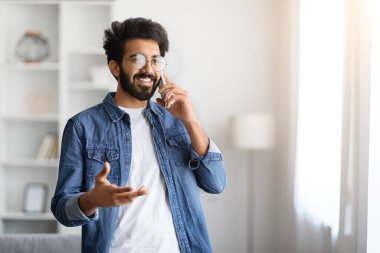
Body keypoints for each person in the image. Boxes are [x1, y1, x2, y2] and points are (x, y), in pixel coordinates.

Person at [51, 17, 226, 253]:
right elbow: (62, 209)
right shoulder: (82, 126)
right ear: (115, 67)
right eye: (137, 59)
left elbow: (216, 183)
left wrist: (191, 120)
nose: (148, 69)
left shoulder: (177, 121)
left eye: (155, 60)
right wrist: (92, 199)